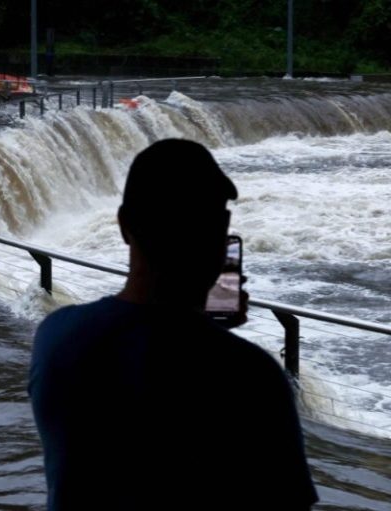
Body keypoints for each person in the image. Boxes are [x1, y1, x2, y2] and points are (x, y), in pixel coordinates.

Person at [28, 139, 319, 510]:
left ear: (123, 227)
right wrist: (211, 332)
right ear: (220, 240)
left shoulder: (56, 339)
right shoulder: (251, 377)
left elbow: (148, 362)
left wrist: (203, 330)